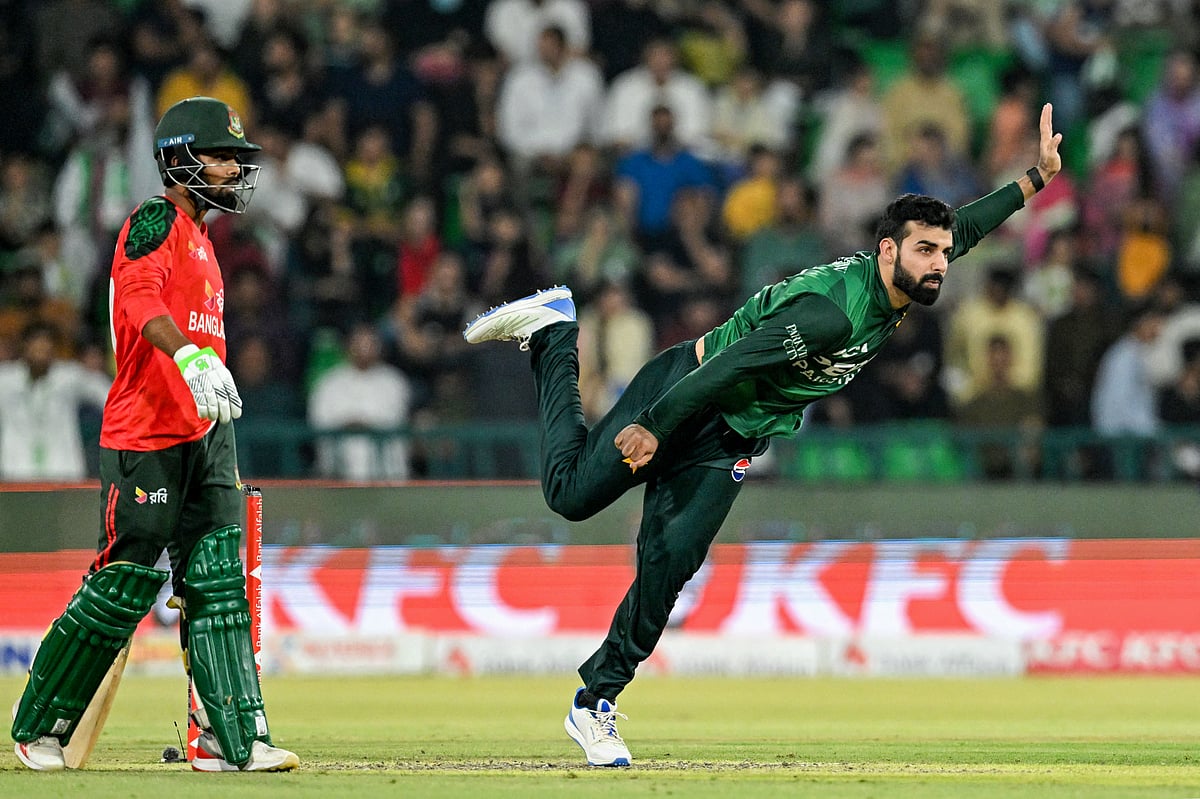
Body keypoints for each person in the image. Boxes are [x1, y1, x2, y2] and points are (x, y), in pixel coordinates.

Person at [463, 104, 1063, 766]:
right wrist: (654, 425)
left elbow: (968, 226)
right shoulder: (833, 313)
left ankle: (593, 703)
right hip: (686, 394)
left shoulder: (900, 281)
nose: (940, 264)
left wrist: (1035, 178)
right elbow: (730, 366)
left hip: (729, 439)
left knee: (672, 562)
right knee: (570, 496)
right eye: (927, 251)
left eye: (944, 254)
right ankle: (555, 335)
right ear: (888, 249)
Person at [10, 96, 298, 773]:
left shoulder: (204, 241)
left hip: (206, 435)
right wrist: (191, 357)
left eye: (236, 157)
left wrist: (207, 374)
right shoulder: (152, 221)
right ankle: (39, 727)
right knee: (125, 583)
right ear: (179, 160)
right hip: (145, 434)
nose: (233, 167)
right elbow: (138, 302)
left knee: (220, 582)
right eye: (220, 154)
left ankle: (230, 740)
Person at [0, 321, 111, 481]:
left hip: (63, 471)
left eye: (46, 344)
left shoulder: (69, 376)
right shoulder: (5, 379)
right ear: (24, 346)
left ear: (53, 348)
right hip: (16, 472)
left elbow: (105, 394)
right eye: (36, 344)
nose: (41, 350)